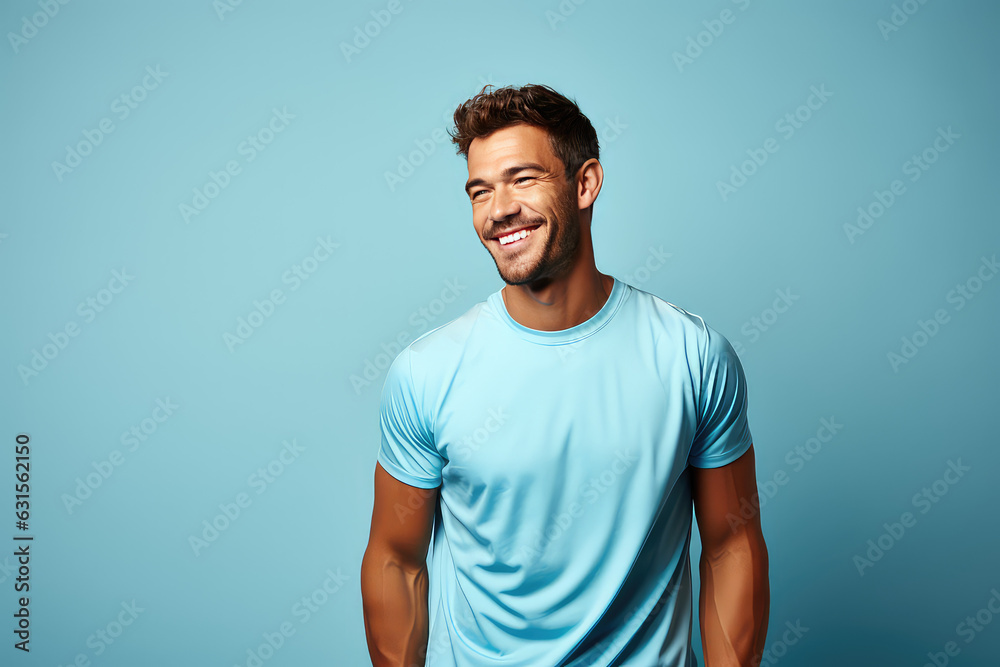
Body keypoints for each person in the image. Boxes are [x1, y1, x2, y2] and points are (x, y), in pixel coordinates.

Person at [361, 83, 769, 667]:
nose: (498, 209)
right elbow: (395, 559)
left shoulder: (692, 356)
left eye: (522, 179)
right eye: (480, 190)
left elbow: (732, 544)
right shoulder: (427, 372)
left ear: (585, 184)